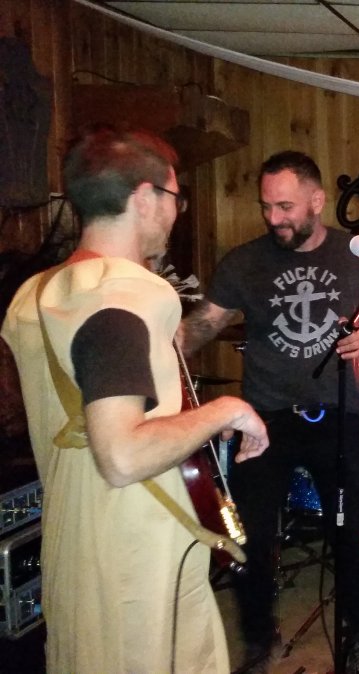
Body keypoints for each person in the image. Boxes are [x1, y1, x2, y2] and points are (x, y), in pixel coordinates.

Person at [1, 128, 269, 673]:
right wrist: (228, 409)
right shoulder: (123, 293)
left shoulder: (38, 293)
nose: (175, 214)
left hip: (77, 537)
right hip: (134, 551)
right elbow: (122, 455)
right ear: (145, 197)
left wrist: (191, 425)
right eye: (175, 198)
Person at [177, 151, 359, 673]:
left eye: (285, 207)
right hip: (264, 421)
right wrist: (151, 352)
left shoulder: (358, 257)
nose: (273, 218)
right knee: (251, 538)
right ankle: (260, 640)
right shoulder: (244, 262)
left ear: (316, 201)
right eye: (266, 207)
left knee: (353, 537)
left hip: (339, 415)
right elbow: (199, 329)